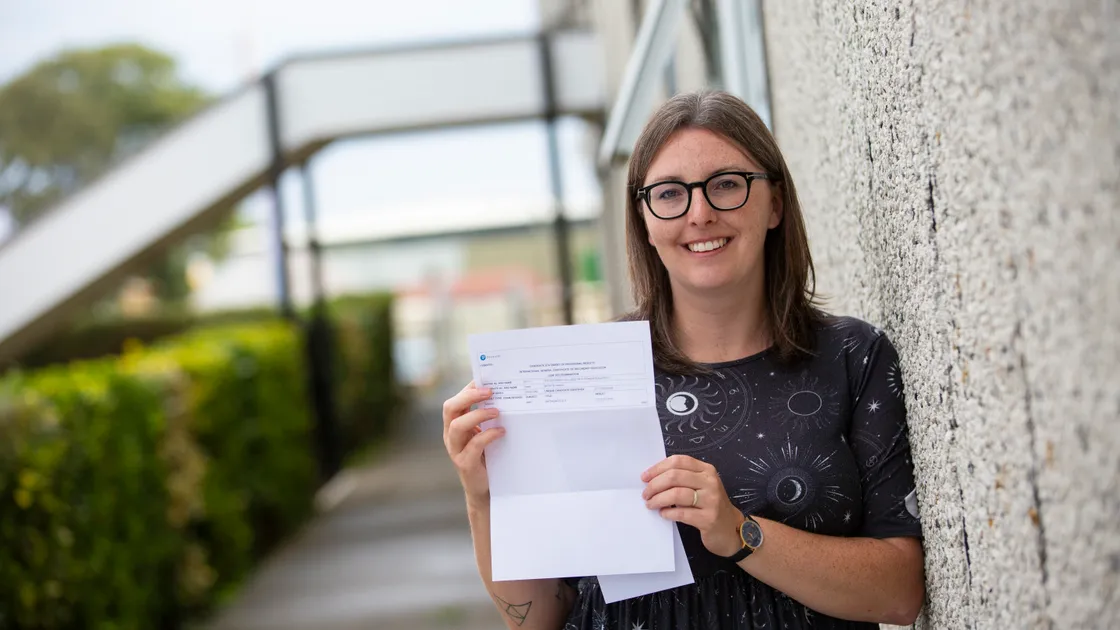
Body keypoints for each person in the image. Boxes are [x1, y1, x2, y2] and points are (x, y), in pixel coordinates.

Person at [442, 90, 925, 629]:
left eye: (726, 185)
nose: (699, 214)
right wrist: (484, 498)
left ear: (776, 203)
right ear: (645, 220)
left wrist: (741, 532)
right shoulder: (587, 371)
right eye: (670, 194)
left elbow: (900, 593)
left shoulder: (851, 359)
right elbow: (539, 619)